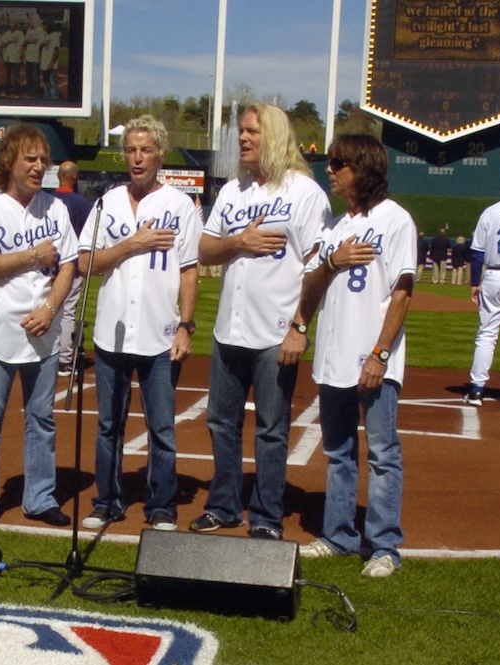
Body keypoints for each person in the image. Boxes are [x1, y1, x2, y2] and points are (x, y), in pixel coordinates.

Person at [188, 103, 331, 539]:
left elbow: (318, 268)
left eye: (252, 131)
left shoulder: (305, 194)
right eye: (241, 132)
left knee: (271, 428)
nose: (244, 139)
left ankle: (267, 517)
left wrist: (300, 326)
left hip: (275, 332)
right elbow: (204, 249)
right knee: (220, 422)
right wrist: (239, 241)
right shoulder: (233, 190)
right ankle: (224, 506)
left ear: (273, 135)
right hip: (228, 329)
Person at [297, 134, 416, 578]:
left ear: (362, 168)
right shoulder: (333, 228)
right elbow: (308, 286)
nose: (330, 170)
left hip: (373, 358)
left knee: (383, 452)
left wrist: (380, 354)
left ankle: (384, 545)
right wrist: (333, 262)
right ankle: (339, 535)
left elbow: (402, 293)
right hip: (333, 356)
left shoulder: (395, 220)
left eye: (339, 163)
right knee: (339, 451)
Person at [78, 115, 202, 532]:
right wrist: (133, 244)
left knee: (161, 427)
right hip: (111, 330)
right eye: (131, 149)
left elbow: (188, 270)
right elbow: (85, 262)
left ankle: (162, 505)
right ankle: (107, 501)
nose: (137, 157)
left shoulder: (179, 205)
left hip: (159, 334)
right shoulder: (106, 202)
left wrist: (186, 325)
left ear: (160, 155)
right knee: (108, 424)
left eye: (146, 150)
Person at [0, 123, 77, 526]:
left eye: (43, 159)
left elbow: (69, 265)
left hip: (43, 332)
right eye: (30, 158)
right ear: (9, 160)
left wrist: (49, 308)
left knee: (42, 419)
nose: (38, 166)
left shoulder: (56, 207)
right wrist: (32, 256)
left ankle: (40, 497)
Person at [463, 167, 500, 408]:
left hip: (493, 276)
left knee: (486, 334)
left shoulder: (490, 212)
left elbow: (477, 252)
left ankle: (476, 390)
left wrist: (475, 282)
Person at [51, 161, 93, 375]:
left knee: (46, 307)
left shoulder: (46, 200)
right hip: (72, 264)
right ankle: (64, 359)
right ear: (75, 177)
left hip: (47, 263)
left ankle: (46, 354)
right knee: (67, 312)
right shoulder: (81, 203)